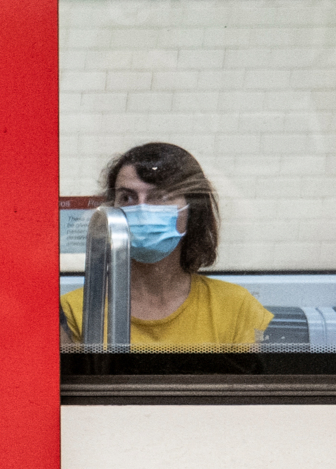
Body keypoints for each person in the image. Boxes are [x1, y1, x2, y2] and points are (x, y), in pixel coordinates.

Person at [60, 141, 269, 351]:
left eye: (161, 197)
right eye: (127, 197)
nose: (142, 210)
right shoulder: (76, 310)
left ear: (193, 210)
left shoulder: (236, 306)